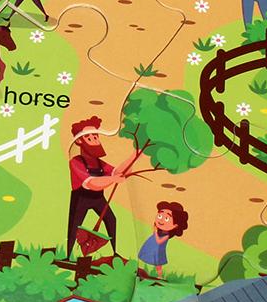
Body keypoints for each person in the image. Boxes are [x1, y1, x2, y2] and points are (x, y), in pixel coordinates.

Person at [65, 116, 128, 259]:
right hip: (81, 198)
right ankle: (68, 255)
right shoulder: (76, 162)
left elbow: (117, 171)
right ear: (79, 141)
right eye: (89, 137)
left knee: (111, 219)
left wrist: (136, 155)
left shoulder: (99, 163)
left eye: (95, 136)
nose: (94, 140)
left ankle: (115, 253)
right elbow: (92, 183)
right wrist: (113, 179)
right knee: (74, 225)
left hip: (98, 198)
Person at [137, 201, 190, 277]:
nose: (161, 220)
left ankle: (159, 276)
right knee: (145, 258)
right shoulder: (159, 231)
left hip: (158, 250)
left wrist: (155, 232)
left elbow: (159, 241)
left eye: (166, 218)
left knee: (158, 264)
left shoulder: (166, 235)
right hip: (152, 246)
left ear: (175, 225)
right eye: (160, 216)